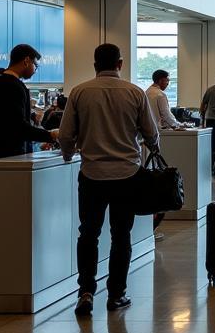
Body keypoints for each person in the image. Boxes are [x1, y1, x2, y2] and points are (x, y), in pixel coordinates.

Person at [59, 43, 160, 317]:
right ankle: (116, 294)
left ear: (94, 64)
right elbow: (152, 134)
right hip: (127, 175)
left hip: (91, 175)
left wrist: (68, 155)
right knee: (121, 235)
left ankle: (86, 293)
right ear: (120, 63)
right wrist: (147, 144)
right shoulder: (134, 92)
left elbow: (66, 134)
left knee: (88, 234)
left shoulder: (79, 92)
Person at [0, 43, 57, 160]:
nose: (36, 70)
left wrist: (30, 115)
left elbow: (5, 117)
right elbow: (18, 127)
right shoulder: (13, 87)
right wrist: (51, 135)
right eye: (35, 65)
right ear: (26, 61)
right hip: (9, 159)